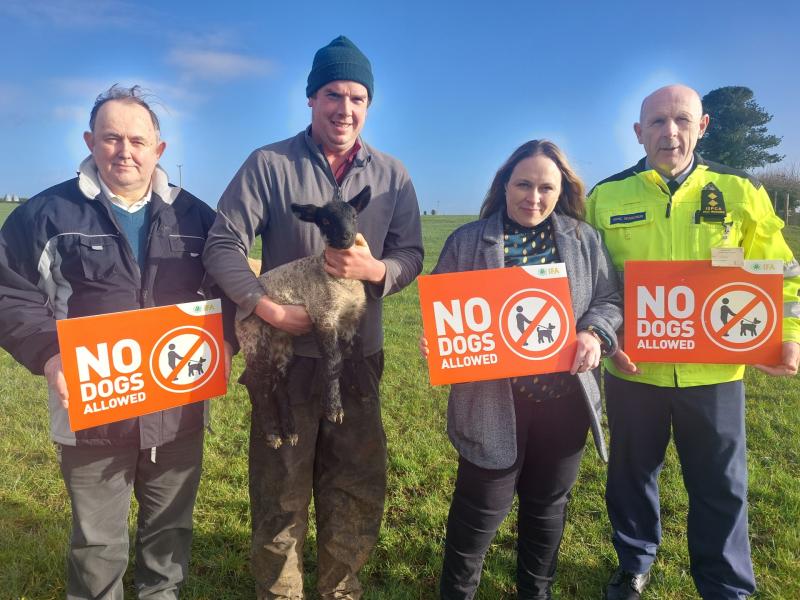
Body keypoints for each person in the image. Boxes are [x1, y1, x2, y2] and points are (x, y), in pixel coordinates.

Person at [202, 36, 423, 599]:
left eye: (356, 97)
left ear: (368, 105)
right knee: (281, 493)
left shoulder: (393, 176)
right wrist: (265, 306)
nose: (343, 109)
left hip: (357, 362)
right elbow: (222, 244)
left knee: (355, 488)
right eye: (332, 94)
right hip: (288, 363)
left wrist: (377, 272)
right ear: (310, 98)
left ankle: (340, 592)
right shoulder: (269, 165)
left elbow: (411, 254)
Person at [0, 85, 236, 598]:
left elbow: (229, 291)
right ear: (90, 141)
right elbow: (9, 291)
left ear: (160, 149)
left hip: (177, 409)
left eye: (136, 139)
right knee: (96, 545)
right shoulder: (46, 216)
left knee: (169, 538)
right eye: (110, 138)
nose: (124, 151)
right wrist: (49, 354)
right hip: (91, 413)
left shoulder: (197, 218)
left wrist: (228, 346)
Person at [586, 84, 800, 600]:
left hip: (716, 372)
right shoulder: (605, 196)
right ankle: (634, 563)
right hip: (633, 370)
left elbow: (782, 271)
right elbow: (588, 283)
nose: (670, 132)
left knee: (721, 486)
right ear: (639, 133)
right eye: (657, 122)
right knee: (632, 477)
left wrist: (789, 335)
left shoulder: (739, 190)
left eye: (682, 119)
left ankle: (725, 583)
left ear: (702, 127)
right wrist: (603, 338)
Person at [422, 140, 623, 599]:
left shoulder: (582, 239)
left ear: (561, 191)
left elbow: (609, 300)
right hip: (492, 402)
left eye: (546, 187)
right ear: (504, 185)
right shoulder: (467, 241)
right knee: (477, 515)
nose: (533, 197)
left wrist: (594, 333)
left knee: (547, 509)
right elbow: (443, 310)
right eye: (524, 184)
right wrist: (438, 338)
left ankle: (536, 593)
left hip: (564, 404)